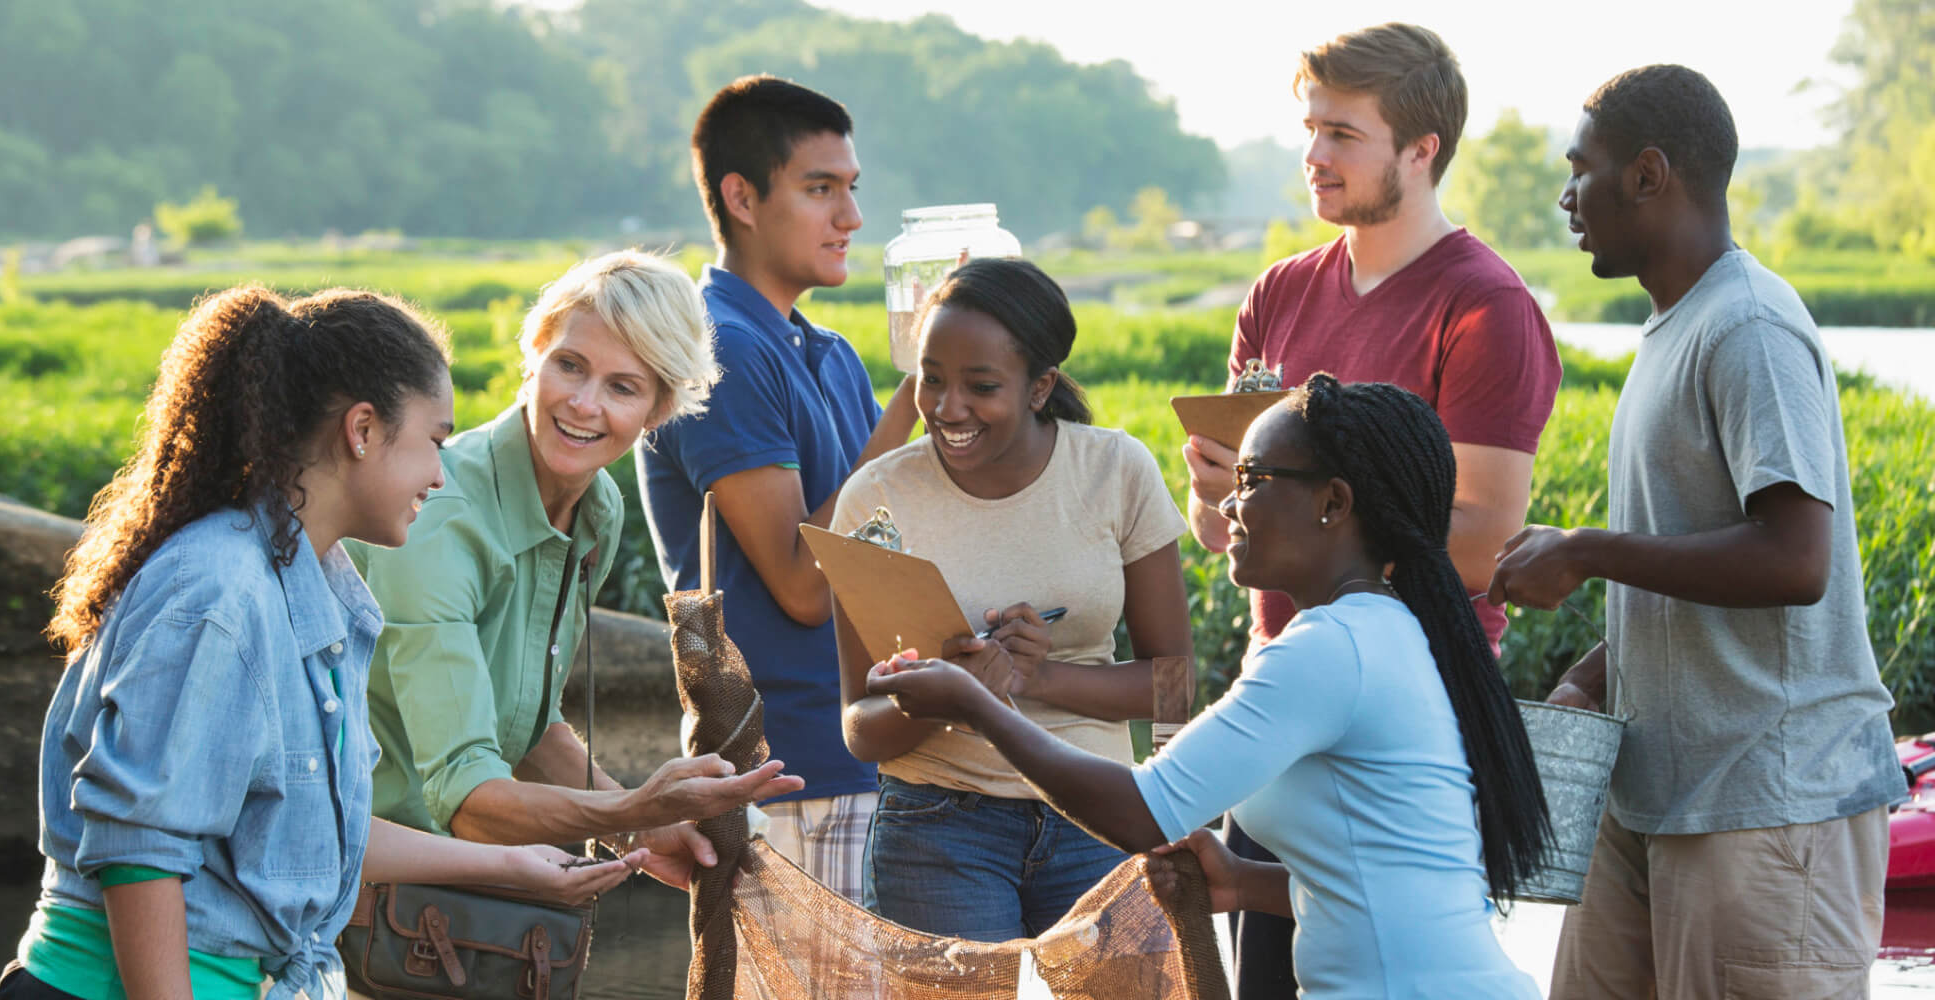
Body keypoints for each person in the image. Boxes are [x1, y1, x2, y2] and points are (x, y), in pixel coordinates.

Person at [0, 287, 633, 1000]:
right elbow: (140, 851)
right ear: (363, 430)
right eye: (435, 441)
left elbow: (314, 830)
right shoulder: (219, 590)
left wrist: (514, 867)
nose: (438, 472)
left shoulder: (321, 583)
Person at [871, 374, 1553, 996]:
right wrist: (1245, 882)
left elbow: (1139, 811)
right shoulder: (1385, 631)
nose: (1228, 503)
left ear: (1333, 503)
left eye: (1254, 478)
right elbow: (1394, 879)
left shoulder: (1330, 651)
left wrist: (979, 705)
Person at [1488, 64, 1902, 996]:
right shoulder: (1674, 328)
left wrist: (1587, 550)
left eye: (1579, 168)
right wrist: (1596, 675)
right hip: (1653, 795)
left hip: (1766, 803)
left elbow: (1796, 560)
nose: (1565, 196)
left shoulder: (1747, 326)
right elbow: (1693, 553)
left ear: (1647, 174)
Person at [1176, 24, 1562, 993]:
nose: (1312, 156)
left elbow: (1476, 543)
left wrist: (1299, 510)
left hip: (1407, 726)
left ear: (1419, 149)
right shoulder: (1275, 294)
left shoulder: (1484, 307)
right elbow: (1218, 528)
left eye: (1341, 134)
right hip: (1276, 708)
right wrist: (1215, 490)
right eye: (1308, 130)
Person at [352, 252, 804, 893]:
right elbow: (467, 794)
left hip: (455, 891)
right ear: (535, 353)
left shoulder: (599, 510)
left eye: (623, 387)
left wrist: (645, 831)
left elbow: (528, 727)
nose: (584, 404)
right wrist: (635, 810)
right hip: (361, 880)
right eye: (570, 365)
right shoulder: (440, 516)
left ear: (659, 409)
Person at [831, 258, 1193, 939]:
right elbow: (859, 725)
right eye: (931, 379)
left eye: (981, 386)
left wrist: (1037, 676)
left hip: (1098, 817)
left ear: (1040, 387)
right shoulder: (876, 500)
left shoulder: (1116, 471)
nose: (947, 408)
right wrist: (955, 692)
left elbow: (1173, 683)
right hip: (937, 831)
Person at [636, 75, 920, 900]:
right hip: (788, 773)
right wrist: (916, 392)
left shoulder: (824, 349)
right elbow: (803, 585)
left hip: (863, 751)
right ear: (742, 197)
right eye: (820, 189)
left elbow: (890, 538)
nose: (851, 218)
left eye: (853, 189)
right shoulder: (717, 349)